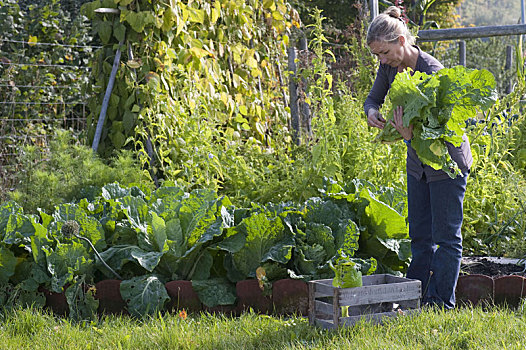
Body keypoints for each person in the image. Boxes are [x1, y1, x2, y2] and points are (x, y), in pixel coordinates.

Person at [363, 6, 472, 309]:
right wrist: (372, 112)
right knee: (420, 236)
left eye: (384, 53)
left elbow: (445, 128)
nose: (382, 61)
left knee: (447, 237)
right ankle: (416, 299)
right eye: (377, 56)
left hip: (446, 162)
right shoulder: (389, 69)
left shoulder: (432, 71)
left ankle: (441, 303)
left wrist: (410, 137)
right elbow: (373, 98)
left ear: (401, 40)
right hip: (418, 166)